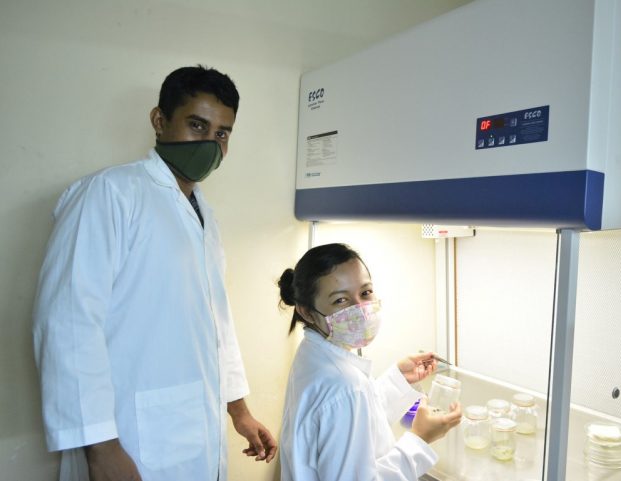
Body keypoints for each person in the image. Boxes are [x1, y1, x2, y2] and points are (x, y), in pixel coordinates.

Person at [32, 65, 277, 481]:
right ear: (159, 120)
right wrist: (102, 449)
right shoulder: (109, 193)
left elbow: (215, 323)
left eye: (222, 133)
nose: (211, 143)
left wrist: (239, 410)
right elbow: (68, 323)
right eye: (197, 125)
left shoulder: (203, 214)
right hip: (128, 436)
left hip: (191, 430)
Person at [277, 243, 462, 480]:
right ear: (307, 312)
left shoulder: (313, 353)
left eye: (365, 293)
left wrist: (398, 380)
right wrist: (419, 439)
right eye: (341, 300)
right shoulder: (345, 385)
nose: (361, 310)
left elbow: (351, 423)